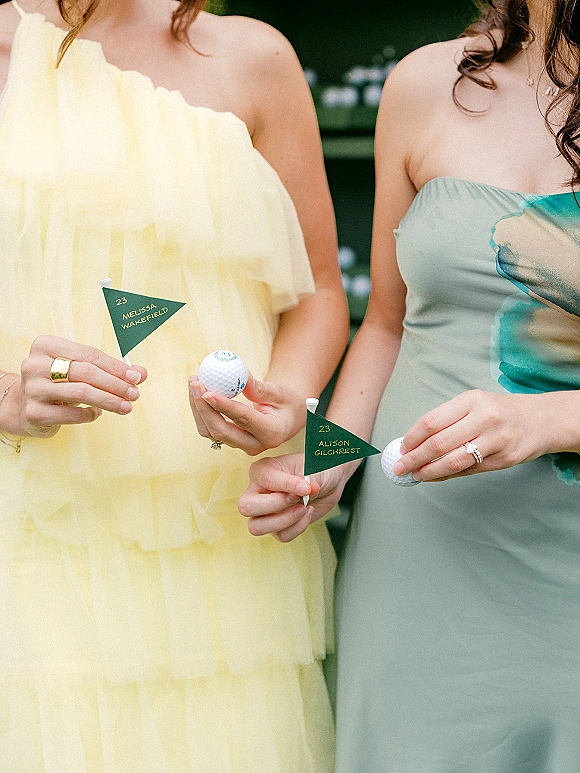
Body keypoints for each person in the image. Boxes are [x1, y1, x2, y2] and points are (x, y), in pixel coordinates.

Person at [0, 0, 349, 769]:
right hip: (32, 545)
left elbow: (322, 292)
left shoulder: (255, 57)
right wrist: (7, 397)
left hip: (225, 545)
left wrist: (286, 395)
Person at [238, 0, 580, 768]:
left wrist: (552, 419)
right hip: (422, 549)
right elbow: (388, 324)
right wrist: (329, 460)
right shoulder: (427, 81)